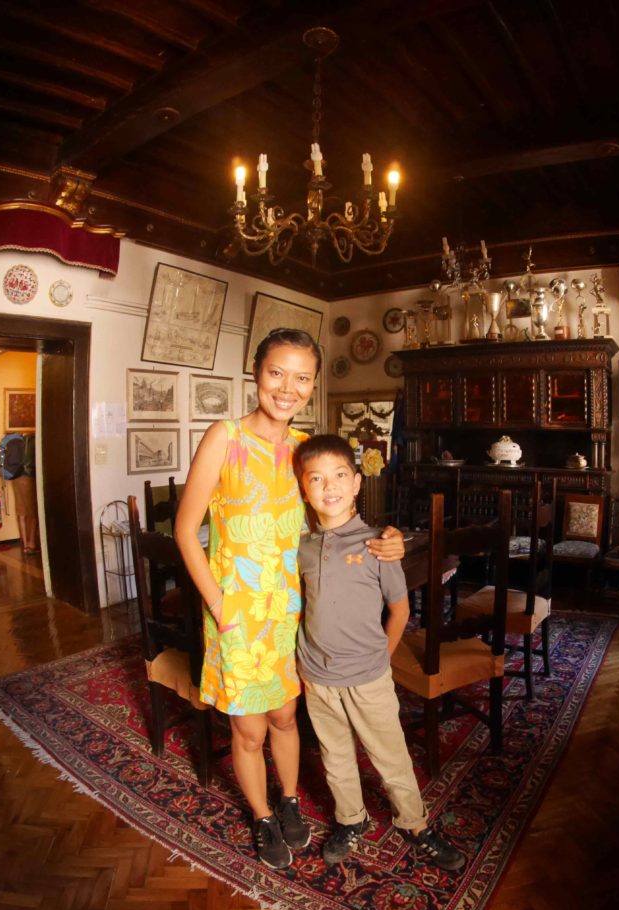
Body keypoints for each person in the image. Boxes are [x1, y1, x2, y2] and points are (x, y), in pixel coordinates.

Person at [174, 329, 403, 870]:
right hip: (234, 611)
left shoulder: (305, 449)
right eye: (277, 372)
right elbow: (186, 531)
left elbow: (336, 511)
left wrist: (387, 537)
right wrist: (219, 607)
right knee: (249, 728)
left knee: (285, 716)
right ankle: (261, 814)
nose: (287, 387)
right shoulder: (223, 437)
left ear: (314, 385)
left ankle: (292, 800)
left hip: (291, 611)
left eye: (302, 378)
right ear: (255, 372)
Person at [294, 433, 466, 873]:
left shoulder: (378, 544)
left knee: (390, 754)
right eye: (315, 479)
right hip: (317, 675)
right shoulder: (302, 548)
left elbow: (400, 608)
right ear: (303, 488)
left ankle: (416, 824)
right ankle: (350, 818)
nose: (328, 486)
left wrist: (381, 660)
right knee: (334, 755)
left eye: (338, 476)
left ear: (355, 483)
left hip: (368, 675)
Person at [13, 434, 39, 555]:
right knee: (33, 511)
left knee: (21, 510)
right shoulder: (34, 440)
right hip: (27, 478)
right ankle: (31, 543)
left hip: (15, 478)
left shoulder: (19, 440)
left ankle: (24, 544)